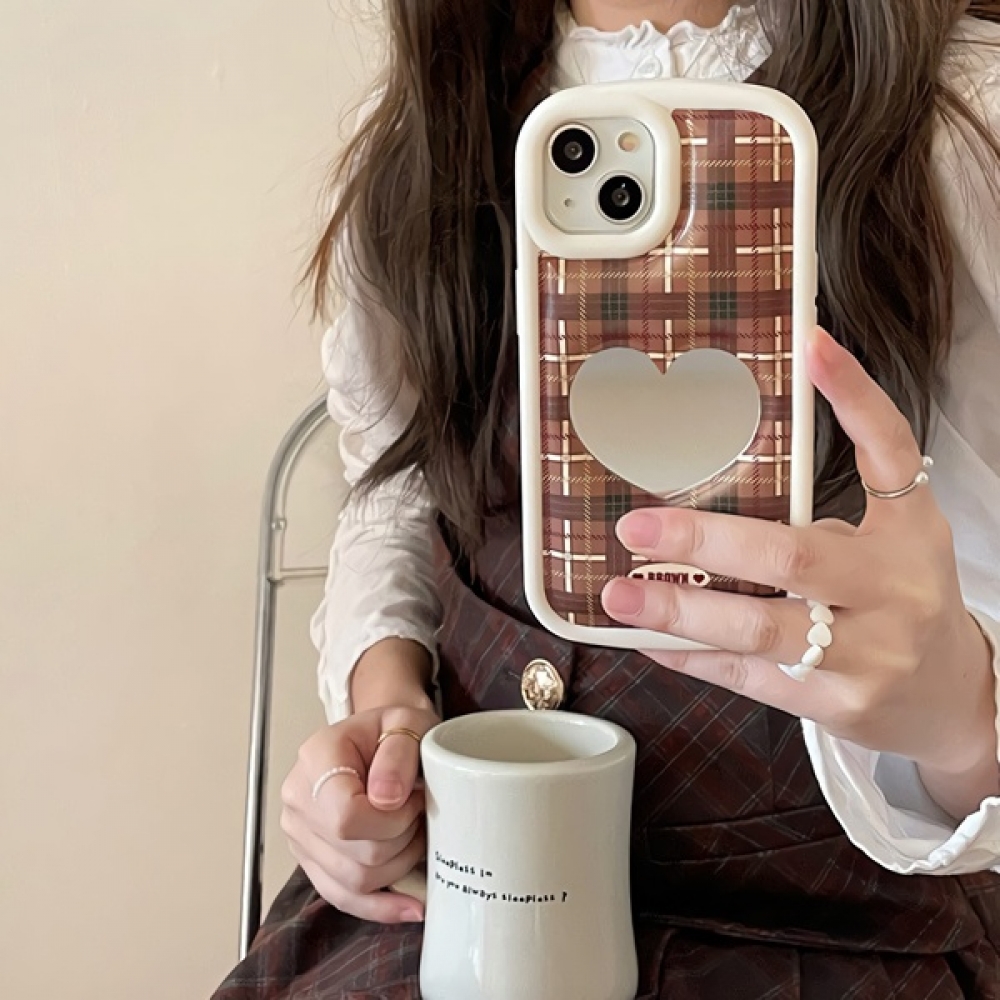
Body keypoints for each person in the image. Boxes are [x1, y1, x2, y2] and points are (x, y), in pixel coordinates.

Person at [214, 2, 1000, 997]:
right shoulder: (435, 130)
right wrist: (384, 714)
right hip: (463, 897)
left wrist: (965, 724)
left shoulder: (965, 126)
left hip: (840, 928)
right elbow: (399, 484)